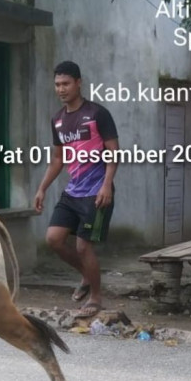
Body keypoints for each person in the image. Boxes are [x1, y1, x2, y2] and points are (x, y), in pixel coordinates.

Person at [33, 61, 119, 318]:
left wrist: (106, 185)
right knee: (53, 239)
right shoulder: (58, 120)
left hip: (96, 192)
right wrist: (42, 189)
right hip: (72, 192)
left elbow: (114, 153)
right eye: (57, 84)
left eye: (66, 83)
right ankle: (86, 274)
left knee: (83, 246)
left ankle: (95, 297)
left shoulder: (97, 114)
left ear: (78, 83)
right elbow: (58, 159)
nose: (61, 89)